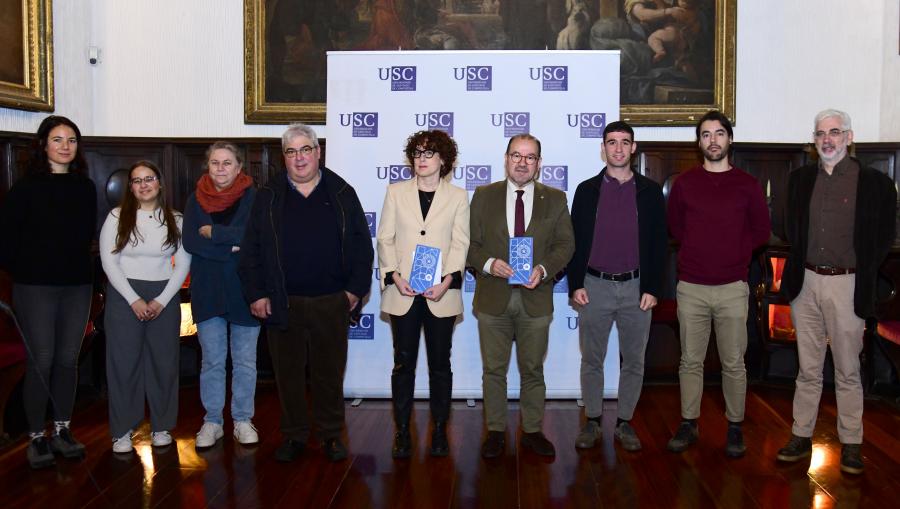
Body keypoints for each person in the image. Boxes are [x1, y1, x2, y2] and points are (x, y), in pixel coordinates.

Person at [239, 123, 373, 463]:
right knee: (288, 376)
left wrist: (354, 291)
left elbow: (361, 246)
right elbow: (251, 249)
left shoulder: (342, 193)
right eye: (291, 151)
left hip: (332, 301)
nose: (299, 158)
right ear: (283, 157)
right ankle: (295, 435)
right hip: (283, 303)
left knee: (329, 375)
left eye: (305, 150)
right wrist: (256, 294)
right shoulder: (267, 196)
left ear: (318, 152)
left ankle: (330, 435)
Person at [775, 109, 896, 475]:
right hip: (806, 284)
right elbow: (787, 227)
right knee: (808, 369)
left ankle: (852, 443)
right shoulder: (798, 180)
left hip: (848, 285)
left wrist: (863, 271)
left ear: (849, 137)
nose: (827, 139)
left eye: (834, 132)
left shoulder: (874, 183)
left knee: (846, 369)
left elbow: (883, 236)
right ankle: (800, 435)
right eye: (820, 134)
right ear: (814, 141)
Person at [666, 110, 770, 457]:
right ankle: (688, 422)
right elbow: (676, 229)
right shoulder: (684, 184)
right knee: (690, 361)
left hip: (732, 287)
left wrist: (734, 254)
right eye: (706, 134)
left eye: (719, 133)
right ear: (699, 143)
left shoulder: (747, 185)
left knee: (733, 362)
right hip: (691, 286)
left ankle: (735, 425)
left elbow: (760, 232)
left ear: (729, 139)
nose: (713, 140)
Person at [467, 133, 575, 458]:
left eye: (530, 157)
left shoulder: (555, 198)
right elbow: (469, 245)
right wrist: (489, 264)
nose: (522, 162)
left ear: (539, 164)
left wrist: (542, 270)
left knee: (532, 370)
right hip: (493, 298)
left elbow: (565, 245)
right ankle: (496, 432)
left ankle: (532, 431)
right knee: (494, 370)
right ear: (506, 158)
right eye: (517, 155)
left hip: (535, 297)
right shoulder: (484, 196)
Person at [0, 116, 97, 469]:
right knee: (41, 359)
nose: (65, 146)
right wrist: (28, 270)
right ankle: (36, 437)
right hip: (35, 286)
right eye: (58, 139)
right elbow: (6, 244)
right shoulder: (25, 189)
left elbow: (85, 235)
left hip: (76, 285)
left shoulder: (84, 187)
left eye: (71, 140)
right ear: (43, 145)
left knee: (67, 360)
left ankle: (62, 430)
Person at [567, 121, 667, 451]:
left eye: (625, 142)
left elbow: (659, 243)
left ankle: (625, 422)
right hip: (593, 285)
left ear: (634, 148)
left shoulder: (650, 192)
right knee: (592, 359)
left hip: (636, 288)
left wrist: (653, 287)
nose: (619, 148)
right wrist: (574, 284)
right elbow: (573, 242)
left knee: (634, 361)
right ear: (604, 148)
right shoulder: (585, 191)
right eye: (612, 142)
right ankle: (593, 421)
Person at [376, 130, 470, 459]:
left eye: (429, 154)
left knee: (440, 366)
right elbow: (384, 238)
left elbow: (461, 244)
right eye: (417, 153)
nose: (422, 159)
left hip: (440, 294)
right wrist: (394, 276)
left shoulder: (458, 197)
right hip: (403, 292)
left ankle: (440, 431)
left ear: (444, 159)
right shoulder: (395, 192)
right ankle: (402, 432)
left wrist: (447, 281)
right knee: (403, 365)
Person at [99, 161, 190, 454]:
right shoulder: (116, 217)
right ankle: (123, 430)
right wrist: (133, 299)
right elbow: (109, 261)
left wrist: (162, 300)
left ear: (159, 183)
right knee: (123, 363)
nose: (143, 185)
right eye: (136, 181)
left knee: (164, 363)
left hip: (164, 295)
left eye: (148, 179)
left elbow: (184, 263)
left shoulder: (176, 218)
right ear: (131, 187)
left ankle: (161, 427)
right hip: (124, 296)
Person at [183, 142, 260, 448]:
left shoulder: (254, 197)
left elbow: (253, 236)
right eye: (215, 163)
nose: (221, 168)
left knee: (245, 362)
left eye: (227, 163)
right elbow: (191, 240)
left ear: (239, 167)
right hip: (208, 290)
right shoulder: (195, 200)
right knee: (212, 361)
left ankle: (242, 419)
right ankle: (212, 421)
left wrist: (214, 235)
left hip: (246, 290)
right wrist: (231, 247)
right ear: (208, 166)